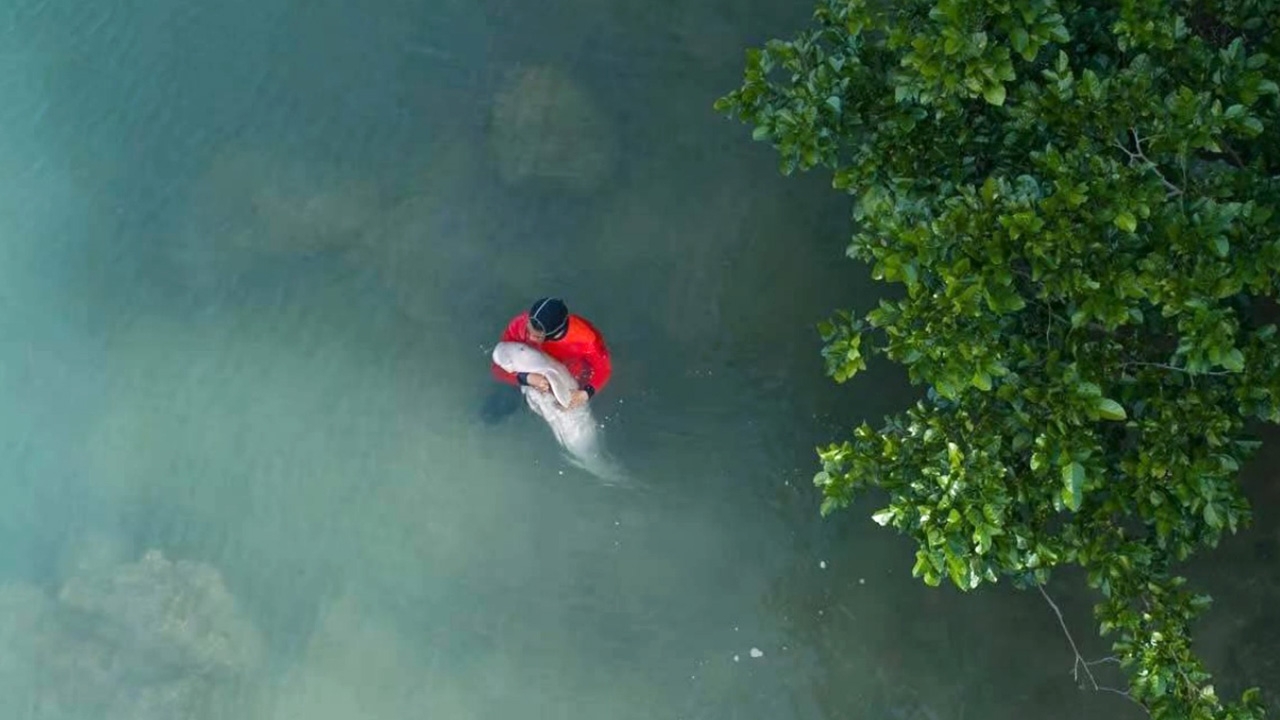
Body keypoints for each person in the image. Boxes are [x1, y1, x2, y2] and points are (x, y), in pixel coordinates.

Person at [481, 297, 612, 424]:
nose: (530, 338)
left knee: (573, 416)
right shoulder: (519, 324)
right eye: (529, 329)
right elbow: (497, 367)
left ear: (554, 334)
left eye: (537, 336)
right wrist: (525, 378)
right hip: (526, 374)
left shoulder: (586, 340)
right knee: (490, 413)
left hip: (570, 376)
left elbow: (603, 369)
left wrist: (585, 393)